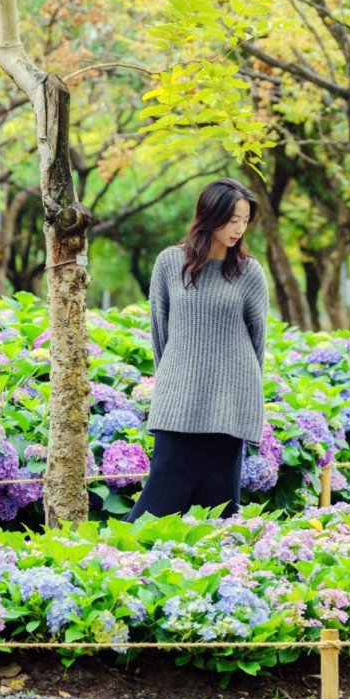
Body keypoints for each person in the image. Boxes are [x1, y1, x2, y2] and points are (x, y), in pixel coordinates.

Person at [125, 178, 270, 521]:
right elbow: (161, 334)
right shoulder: (168, 264)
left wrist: (242, 395)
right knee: (155, 510)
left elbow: (257, 342)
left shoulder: (249, 273)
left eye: (245, 220)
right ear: (210, 214)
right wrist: (177, 383)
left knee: (218, 514)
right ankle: (115, 561)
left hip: (228, 407)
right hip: (179, 404)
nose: (239, 228)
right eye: (232, 218)